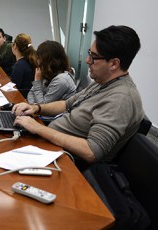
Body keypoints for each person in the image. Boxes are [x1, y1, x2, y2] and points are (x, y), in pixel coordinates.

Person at [12, 25, 144, 165]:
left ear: (114, 64)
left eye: (93, 57)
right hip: (51, 142)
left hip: (66, 160)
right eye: (89, 53)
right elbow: (66, 104)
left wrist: (39, 129)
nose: (87, 60)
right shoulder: (102, 81)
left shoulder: (120, 98)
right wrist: (37, 108)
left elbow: (92, 151)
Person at [26, 41, 76, 105]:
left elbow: (43, 106)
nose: (37, 62)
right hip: (40, 112)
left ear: (47, 60)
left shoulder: (61, 80)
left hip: (56, 114)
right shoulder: (50, 73)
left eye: (39, 58)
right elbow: (30, 93)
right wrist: (33, 105)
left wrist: (37, 81)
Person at [10, 33, 37, 98]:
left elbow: (14, 88)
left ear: (15, 46)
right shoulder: (32, 60)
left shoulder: (19, 65)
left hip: (22, 99)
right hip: (31, 98)